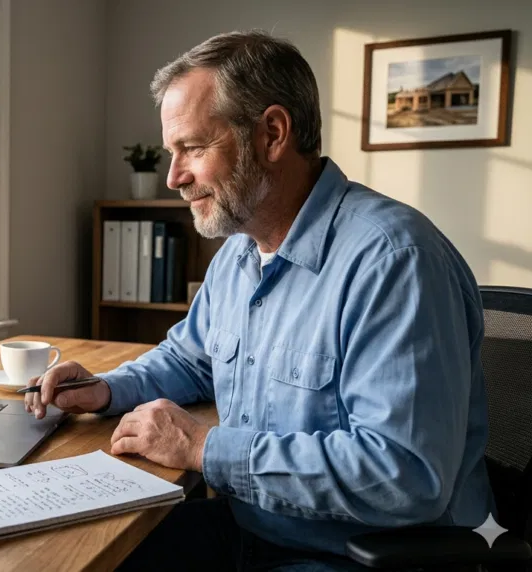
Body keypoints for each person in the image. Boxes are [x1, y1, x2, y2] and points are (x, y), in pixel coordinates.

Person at [25, 30, 494, 571]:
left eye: (194, 148)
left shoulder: (394, 261)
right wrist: (107, 389)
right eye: (172, 153)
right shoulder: (239, 253)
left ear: (272, 134)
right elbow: (190, 359)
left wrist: (204, 449)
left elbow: (405, 475)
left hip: (356, 558)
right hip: (253, 529)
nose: (175, 177)